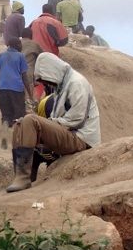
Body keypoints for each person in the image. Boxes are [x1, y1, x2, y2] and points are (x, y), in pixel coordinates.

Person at [6, 52, 100, 193]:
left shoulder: (77, 83)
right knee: (20, 124)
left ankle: (23, 178)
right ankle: (21, 177)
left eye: (45, 80)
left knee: (30, 120)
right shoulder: (62, 85)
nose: (46, 84)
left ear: (52, 71)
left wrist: (49, 123)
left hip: (82, 139)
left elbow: (77, 119)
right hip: (69, 133)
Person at [0, 38, 33, 150]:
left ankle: (4, 135)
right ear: (15, 45)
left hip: (2, 89)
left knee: (6, 116)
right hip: (16, 89)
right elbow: (24, 76)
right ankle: (18, 143)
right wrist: (30, 94)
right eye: (19, 43)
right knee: (20, 116)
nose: (21, 45)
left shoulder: (1, 56)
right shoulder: (20, 56)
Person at [20, 27, 45, 101]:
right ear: (31, 35)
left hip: (15, 71)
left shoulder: (17, 43)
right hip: (28, 72)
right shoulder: (34, 44)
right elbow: (42, 56)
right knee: (28, 97)